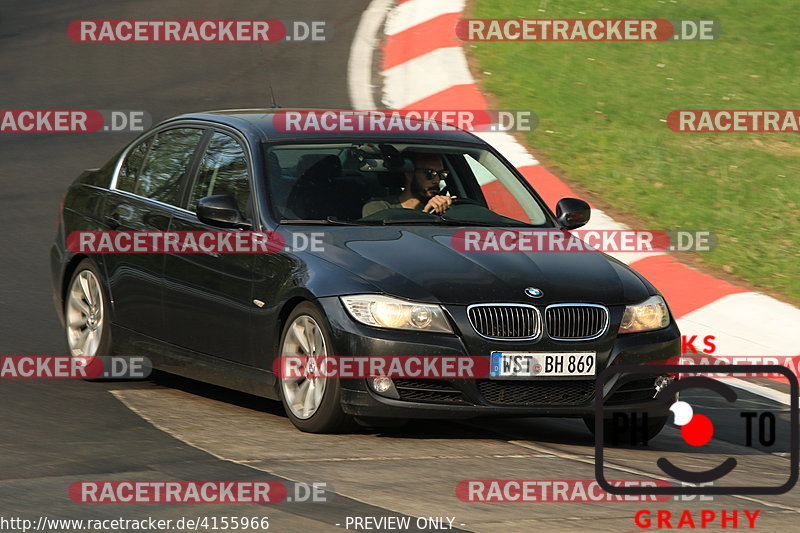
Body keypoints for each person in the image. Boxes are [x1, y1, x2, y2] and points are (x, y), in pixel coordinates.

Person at [361, 153, 456, 217]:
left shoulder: (442, 210)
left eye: (442, 174)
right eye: (430, 173)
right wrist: (425, 214)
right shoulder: (379, 207)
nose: (437, 180)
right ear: (410, 174)